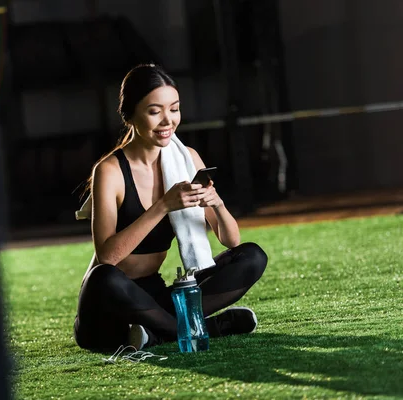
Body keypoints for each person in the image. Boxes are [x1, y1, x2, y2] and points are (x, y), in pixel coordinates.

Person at [73, 64, 268, 352]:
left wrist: (218, 203)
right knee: (105, 278)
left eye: (174, 109)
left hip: (153, 296)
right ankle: (203, 328)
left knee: (252, 256)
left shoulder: (186, 159)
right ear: (131, 115)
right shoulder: (110, 170)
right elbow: (107, 256)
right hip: (108, 301)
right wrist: (164, 205)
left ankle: (158, 331)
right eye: (155, 111)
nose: (168, 120)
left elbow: (231, 240)